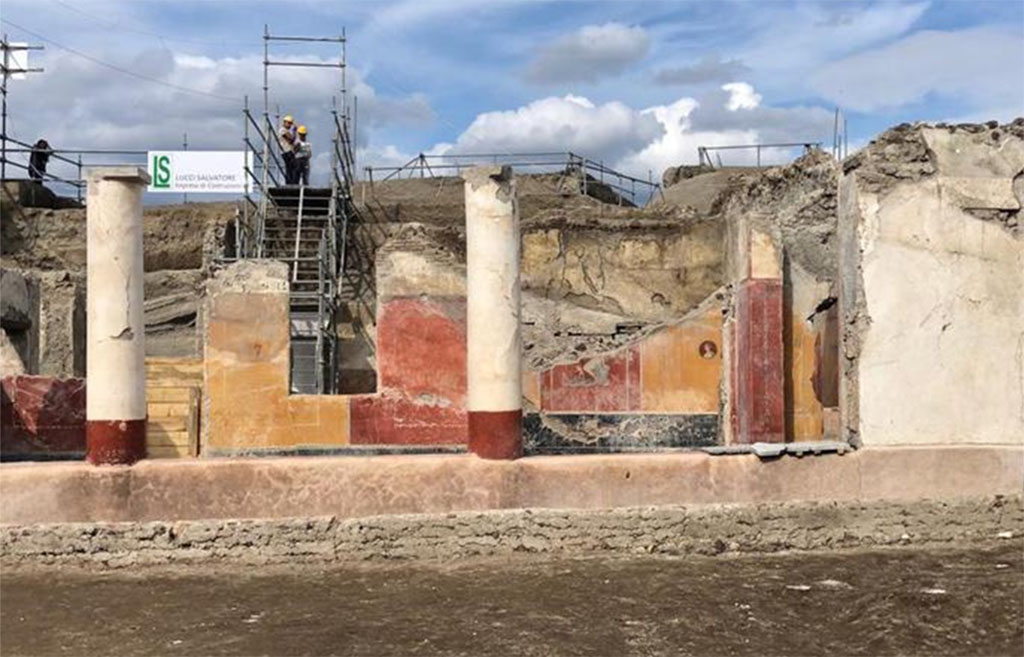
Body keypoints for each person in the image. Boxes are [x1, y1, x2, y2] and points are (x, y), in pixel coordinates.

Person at [278, 115, 298, 184]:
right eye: (288, 123)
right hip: (287, 151)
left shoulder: (286, 131)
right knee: (292, 167)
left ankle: (290, 183)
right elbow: (291, 139)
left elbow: (291, 141)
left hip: (288, 151)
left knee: (290, 168)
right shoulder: (283, 130)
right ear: (284, 122)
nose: (290, 125)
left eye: (291, 123)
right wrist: (294, 131)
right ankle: (290, 183)